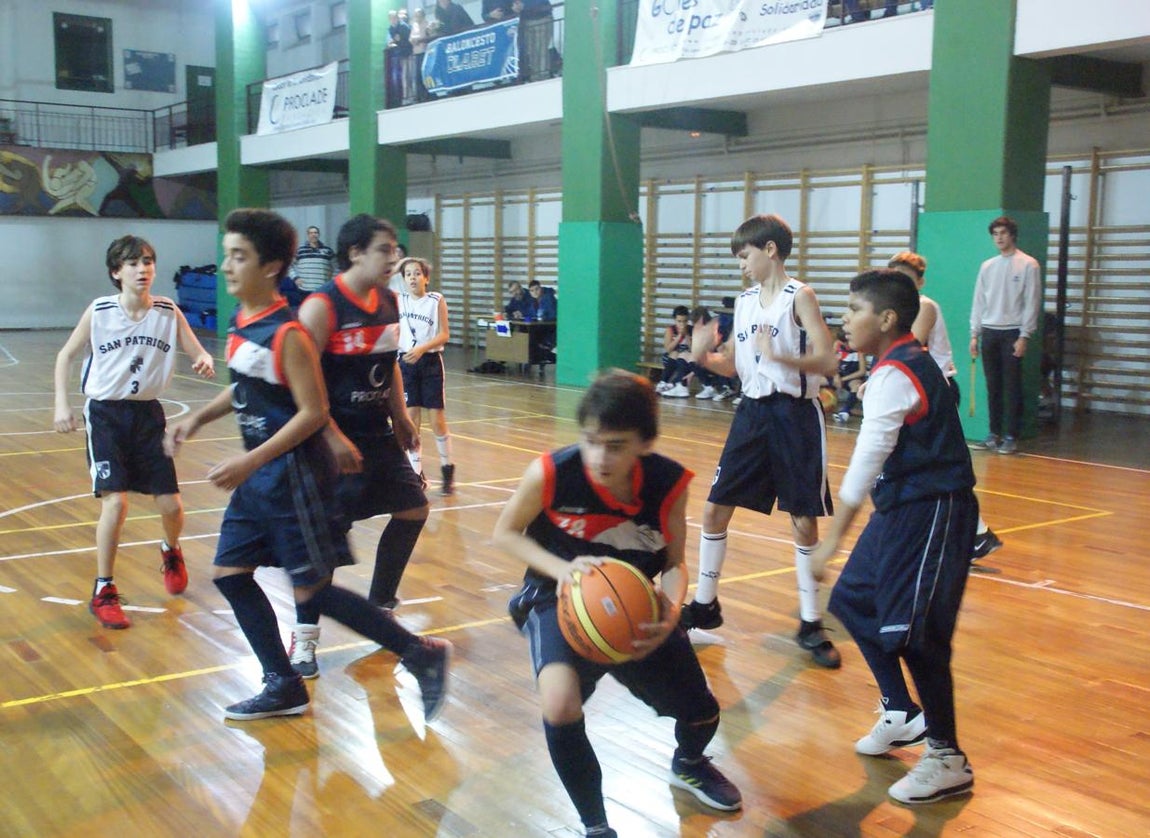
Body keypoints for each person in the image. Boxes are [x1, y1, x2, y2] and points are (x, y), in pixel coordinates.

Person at [164, 208, 450, 721]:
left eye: (239, 257)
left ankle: (417, 652)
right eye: (227, 255)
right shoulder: (242, 321)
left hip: (291, 475)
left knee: (313, 586)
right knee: (230, 574)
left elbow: (314, 411)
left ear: (271, 266)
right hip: (261, 478)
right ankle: (284, 682)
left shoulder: (290, 332)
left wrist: (249, 460)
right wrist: (198, 420)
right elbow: (246, 384)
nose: (227, 267)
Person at [493, 371, 742, 838]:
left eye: (615, 444)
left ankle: (689, 763)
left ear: (644, 443)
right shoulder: (551, 472)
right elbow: (504, 533)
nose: (599, 457)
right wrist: (562, 569)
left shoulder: (668, 483)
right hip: (557, 593)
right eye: (590, 441)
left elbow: (674, 563)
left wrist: (671, 608)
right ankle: (596, 825)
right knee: (560, 703)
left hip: (634, 603)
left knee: (702, 711)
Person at [811, 268, 977, 805]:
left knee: (919, 635)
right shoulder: (892, 365)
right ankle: (900, 710)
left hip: (933, 510)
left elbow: (864, 464)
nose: (844, 317)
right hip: (902, 507)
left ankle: (947, 756)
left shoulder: (895, 375)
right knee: (854, 601)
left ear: (885, 319)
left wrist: (832, 541)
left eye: (854, 308)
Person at [680, 213, 841, 669]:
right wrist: (701, 358)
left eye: (744, 255)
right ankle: (706, 605)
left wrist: (781, 356)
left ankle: (811, 623)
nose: (741, 266)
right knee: (714, 507)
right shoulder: (745, 301)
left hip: (795, 416)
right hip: (751, 414)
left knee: (803, 519)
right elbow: (734, 365)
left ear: (770, 250)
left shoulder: (800, 296)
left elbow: (828, 358)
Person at [286, 214, 432, 680]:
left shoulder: (390, 302)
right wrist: (329, 434)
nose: (394, 258)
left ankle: (380, 607)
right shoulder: (322, 308)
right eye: (385, 249)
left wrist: (401, 415)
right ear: (354, 253)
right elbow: (299, 380)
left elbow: (387, 364)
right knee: (323, 549)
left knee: (414, 508)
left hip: (377, 434)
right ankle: (304, 640)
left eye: (395, 250)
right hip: (329, 442)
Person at [53, 235, 215, 629]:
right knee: (116, 502)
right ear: (116, 272)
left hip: (148, 415)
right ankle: (103, 589)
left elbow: (197, 350)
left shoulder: (166, 310)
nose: (142, 269)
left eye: (147, 261)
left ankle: (170, 549)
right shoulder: (100, 311)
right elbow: (65, 356)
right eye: (132, 263)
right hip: (105, 414)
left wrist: (205, 359)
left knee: (172, 506)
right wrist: (62, 404)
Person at [889, 251, 1004, 562]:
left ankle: (973, 533)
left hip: (936, 393)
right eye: (895, 276)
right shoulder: (896, 309)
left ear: (921, 281)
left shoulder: (924, 306)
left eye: (907, 277)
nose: (901, 283)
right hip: (913, 395)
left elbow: (909, 347)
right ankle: (974, 534)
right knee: (924, 466)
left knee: (941, 466)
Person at [969, 215, 1041, 455]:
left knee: (1012, 386)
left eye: (1003, 233)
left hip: (1012, 332)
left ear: (1012, 235)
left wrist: (1024, 336)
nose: (999, 238)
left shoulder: (1029, 264)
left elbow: (1032, 303)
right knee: (994, 386)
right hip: (989, 331)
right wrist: (974, 334)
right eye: (995, 234)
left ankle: (1011, 436)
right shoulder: (988, 266)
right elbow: (979, 301)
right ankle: (994, 434)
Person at [397, 256, 456, 496]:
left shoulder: (435, 300)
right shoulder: (398, 301)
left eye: (417, 273)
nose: (413, 277)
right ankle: (416, 473)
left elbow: (444, 335)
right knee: (411, 420)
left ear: (426, 278)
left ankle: (447, 467)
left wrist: (421, 348)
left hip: (430, 362)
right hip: (406, 364)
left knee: (437, 421)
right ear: (403, 279)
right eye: (408, 273)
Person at [832, 323, 868, 422]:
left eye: (847, 342)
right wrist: (836, 376)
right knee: (817, 380)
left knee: (856, 386)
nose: (845, 345)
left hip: (851, 377)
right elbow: (831, 363)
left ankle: (845, 411)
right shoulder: (837, 345)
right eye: (843, 342)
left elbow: (862, 371)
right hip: (838, 375)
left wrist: (842, 379)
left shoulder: (859, 349)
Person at [655, 305, 694, 398]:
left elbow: (693, 349)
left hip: (686, 359)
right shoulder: (670, 330)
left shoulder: (691, 329)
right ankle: (663, 382)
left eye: (685, 321)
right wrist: (679, 337)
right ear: (675, 320)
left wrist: (687, 335)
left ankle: (675, 385)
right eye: (679, 321)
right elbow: (668, 349)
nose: (682, 324)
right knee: (675, 353)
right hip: (671, 358)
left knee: (684, 356)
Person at [290, 226, 335, 295]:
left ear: (319, 235)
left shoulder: (328, 250)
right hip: (304, 290)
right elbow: (288, 265)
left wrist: (332, 281)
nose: (313, 235)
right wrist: (295, 278)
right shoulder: (300, 250)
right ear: (308, 235)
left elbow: (337, 266)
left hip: (322, 289)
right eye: (311, 233)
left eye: (315, 233)